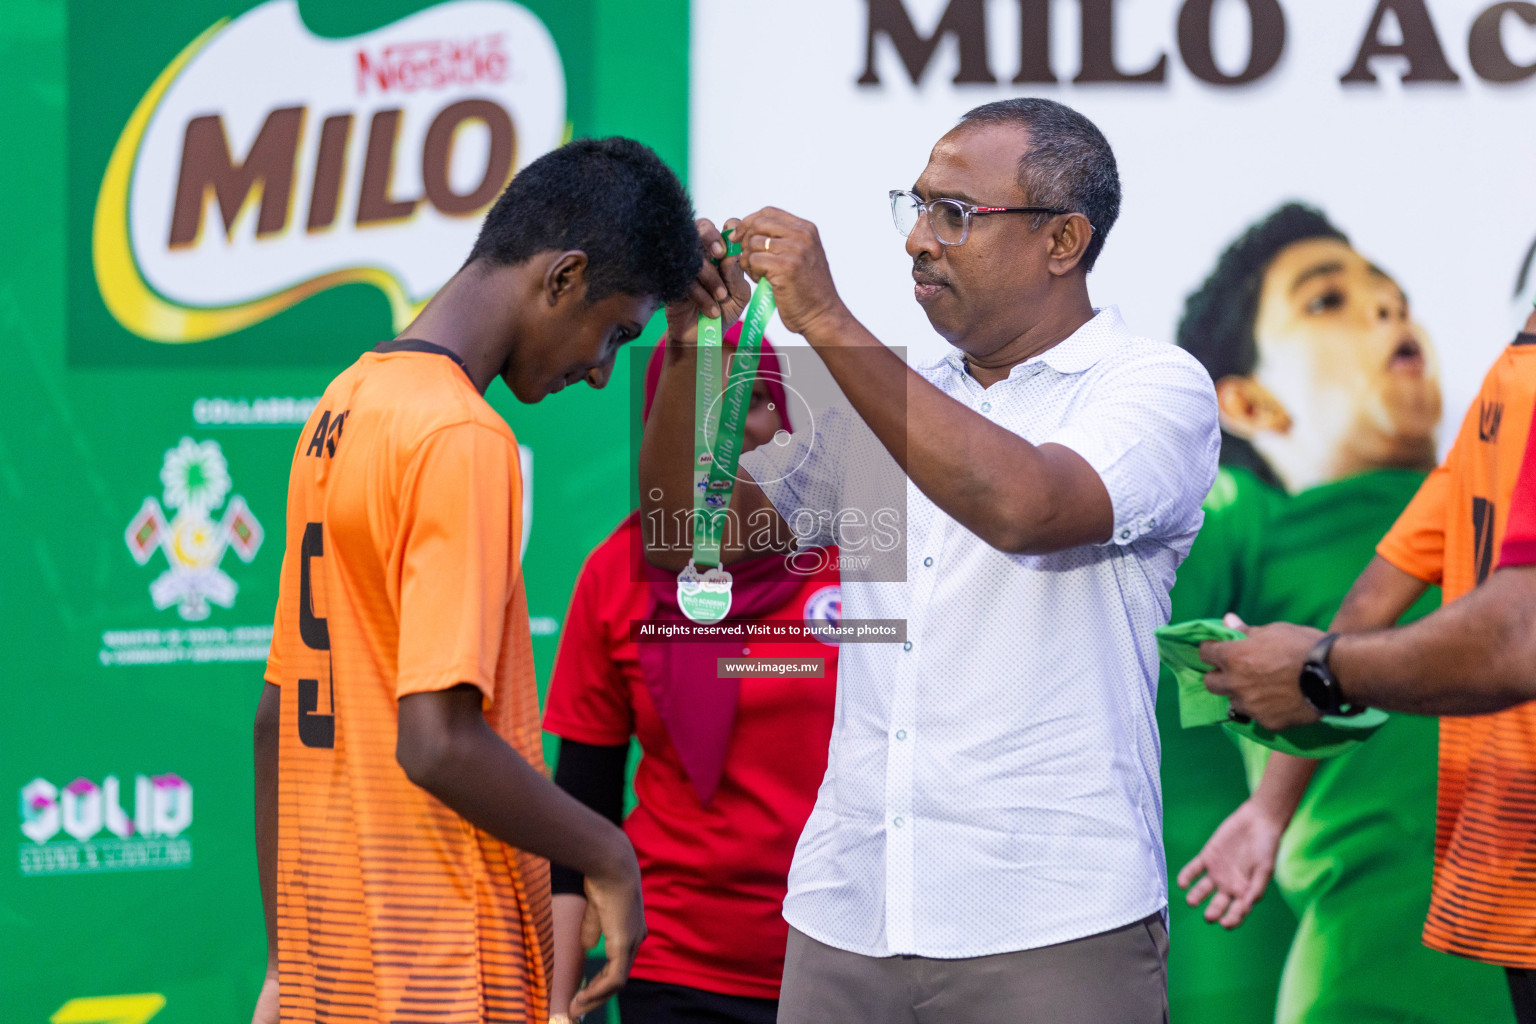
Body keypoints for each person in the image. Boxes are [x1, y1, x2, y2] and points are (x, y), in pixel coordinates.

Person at [639, 97, 1220, 1023]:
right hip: (848, 915)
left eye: (954, 214)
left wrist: (825, 316)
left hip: (1051, 927)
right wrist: (689, 340)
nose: (917, 239)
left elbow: (1028, 506)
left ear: (1064, 240)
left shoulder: (1152, 387)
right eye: (915, 207)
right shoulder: (893, 397)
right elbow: (692, 539)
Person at [250, 137, 700, 1024]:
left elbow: (275, 718)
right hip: (442, 961)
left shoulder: (345, 402)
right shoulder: (462, 437)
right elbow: (438, 741)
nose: (603, 370)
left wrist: (283, 959)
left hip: (332, 964)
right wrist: (609, 853)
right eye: (613, 332)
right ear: (563, 277)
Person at [1165, 203, 1511, 1023]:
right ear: (1246, 403)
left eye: (1394, 294)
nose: (1391, 309)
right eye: (1326, 301)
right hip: (1378, 978)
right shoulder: (1240, 517)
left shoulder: (1487, 481)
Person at [543, 337, 841, 1023]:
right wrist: (557, 1005)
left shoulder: (851, 561)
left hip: (845, 962)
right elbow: (583, 803)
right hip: (675, 965)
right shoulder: (615, 571)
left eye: (756, 401)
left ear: (788, 419)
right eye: (702, 407)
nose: (730, 427)